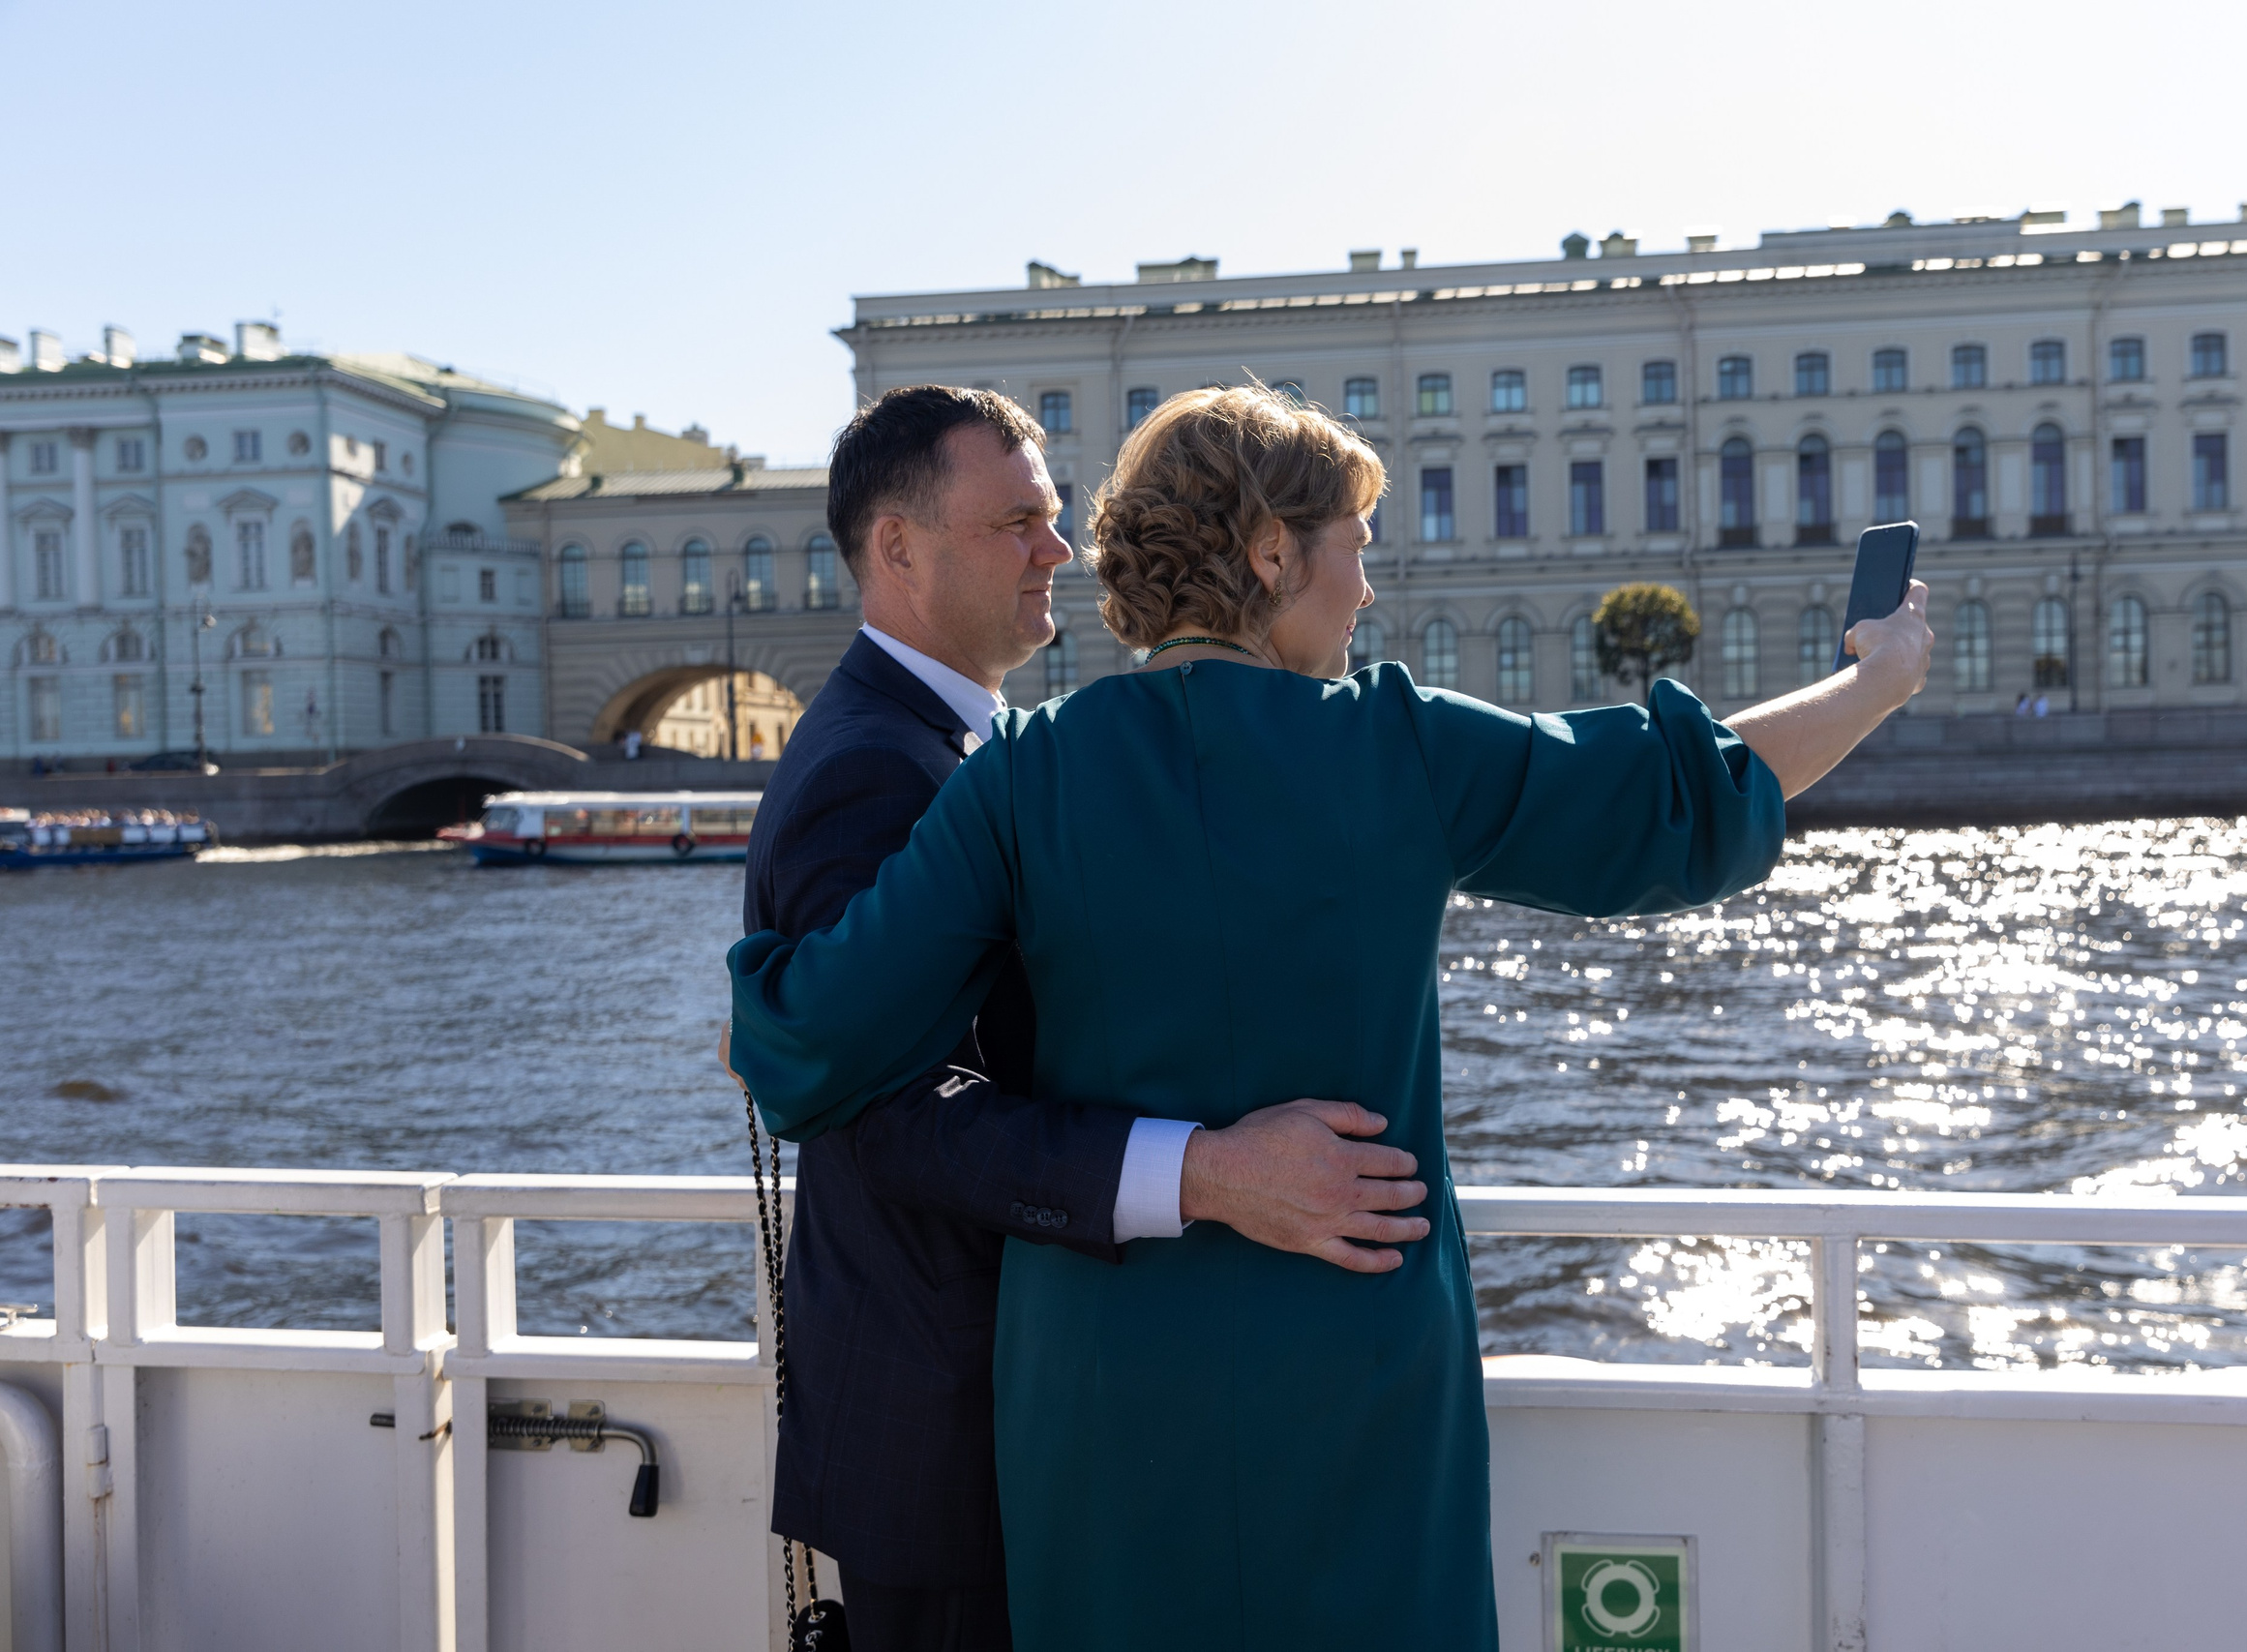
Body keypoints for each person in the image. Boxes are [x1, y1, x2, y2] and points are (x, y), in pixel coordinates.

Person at [730, 385, 1933, 1651]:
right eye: (1354, 552)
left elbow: (814, 1038)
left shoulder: (1027, 769)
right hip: (1353, 1346)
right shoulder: (1398, 746)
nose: (1364, 593)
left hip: (1094, 1378)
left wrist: (750, 1020)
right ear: (1269, 554)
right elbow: (1678, 798)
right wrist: (1876, 686)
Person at [740, 385, 1429, 1652]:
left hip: (1012, 1421)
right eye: (1017, 523)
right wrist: (1208, 1174)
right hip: (951, 1451)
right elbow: (893, 1118)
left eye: (1054, 519)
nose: (1060, 551)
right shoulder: (871, 770)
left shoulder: (957, 748)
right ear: (897, 548)